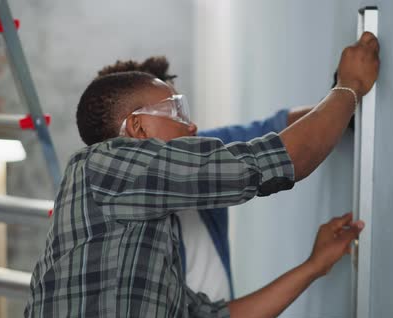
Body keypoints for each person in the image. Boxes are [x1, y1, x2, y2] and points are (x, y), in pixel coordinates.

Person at [23, 32, 379, 318]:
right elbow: (273, 161)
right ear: (138, 127)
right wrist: (350, 86)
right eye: (176, 111)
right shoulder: (106, 165)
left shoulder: (146, 248)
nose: (192, 127)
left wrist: (313, 266)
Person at [94, 56, 313, 302]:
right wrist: (347, 90)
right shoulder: (112, 202)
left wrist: (344, 104)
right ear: (138, 126)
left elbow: (275, 131)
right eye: (171, 112)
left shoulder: (201, 153)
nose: (190, 125)